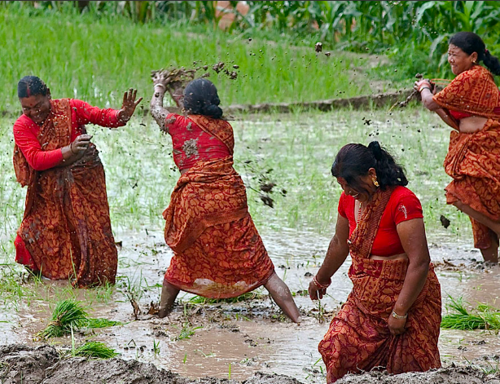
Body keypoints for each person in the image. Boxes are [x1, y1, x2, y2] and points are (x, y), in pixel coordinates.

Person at [149, 74, 300, 323]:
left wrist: (160, 85)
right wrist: (182, 94)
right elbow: (195, 118)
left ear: (187, 104)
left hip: (196, 201)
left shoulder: (178, 124)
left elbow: (156, 108)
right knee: (262, 267)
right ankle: (297, 320)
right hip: (231, 199)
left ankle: (160, 316)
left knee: (183, 259)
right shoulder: (225, 129)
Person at [309, 142, 441, 383]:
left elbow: (420, 262)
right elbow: (340, 243)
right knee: (338, 346)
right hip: (364, 303)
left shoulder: (402, 201)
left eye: (351, 183)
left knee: (408, 369)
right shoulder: (348, 200)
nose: (347, 191)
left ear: (371, 174)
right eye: (342, 185)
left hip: (409, 301)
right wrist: (320, 278)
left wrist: (400, 312)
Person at [13, 76, 142, 287]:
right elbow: (35, 160)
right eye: (27, 108)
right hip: (48, 191)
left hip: (83, 181)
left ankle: (92, 279)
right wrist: (69, 151)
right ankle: (50, 279)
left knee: (88, 231)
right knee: (33, 233)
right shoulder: (22, 126)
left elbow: (100, 115)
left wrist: (121, 115)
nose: (34, 112)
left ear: (49, 95)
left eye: (38, 105)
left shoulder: (69, 108)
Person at [415, 31, 500, 263]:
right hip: (474, 146)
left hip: (487, 147)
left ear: (473, 57)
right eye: (449, 54)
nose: (450, 59)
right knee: (480, 216)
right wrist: (436, 101)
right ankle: (492, 270)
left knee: (460, 194)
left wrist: (423, 87)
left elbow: (429, 102)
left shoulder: (473, 76)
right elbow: (456, 122)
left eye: (455, 54)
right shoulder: (471, 78)